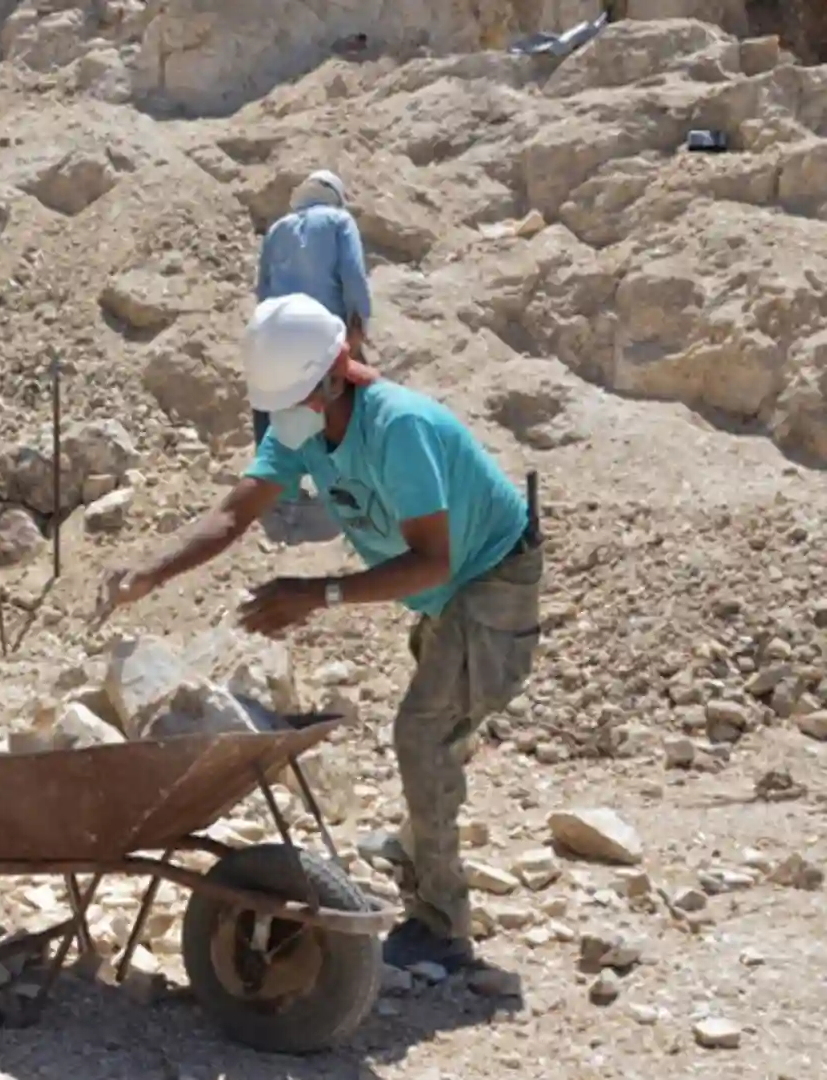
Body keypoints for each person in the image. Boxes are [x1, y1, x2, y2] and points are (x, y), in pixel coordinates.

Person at [101, 293, 543, 972]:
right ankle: (421, 846)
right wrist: (149, 573)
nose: (281, 420)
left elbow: (434, 558)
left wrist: (317, 594)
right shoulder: (303, 421)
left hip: (488, 580)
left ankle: (442, 921)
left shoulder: (399, 429)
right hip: (439, 592)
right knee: (434, 726)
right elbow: (233, 513)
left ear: (335, 378)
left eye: (295, 400)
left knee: (425, 733)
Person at [253, 169, 373, 454]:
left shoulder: (277, 229)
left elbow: (263, 286)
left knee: (273, 403)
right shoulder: (339, 221)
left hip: (279, 331)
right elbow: (353, 275)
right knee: (356, 401)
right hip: (326, 333)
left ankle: (273, 482)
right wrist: (359, 325)